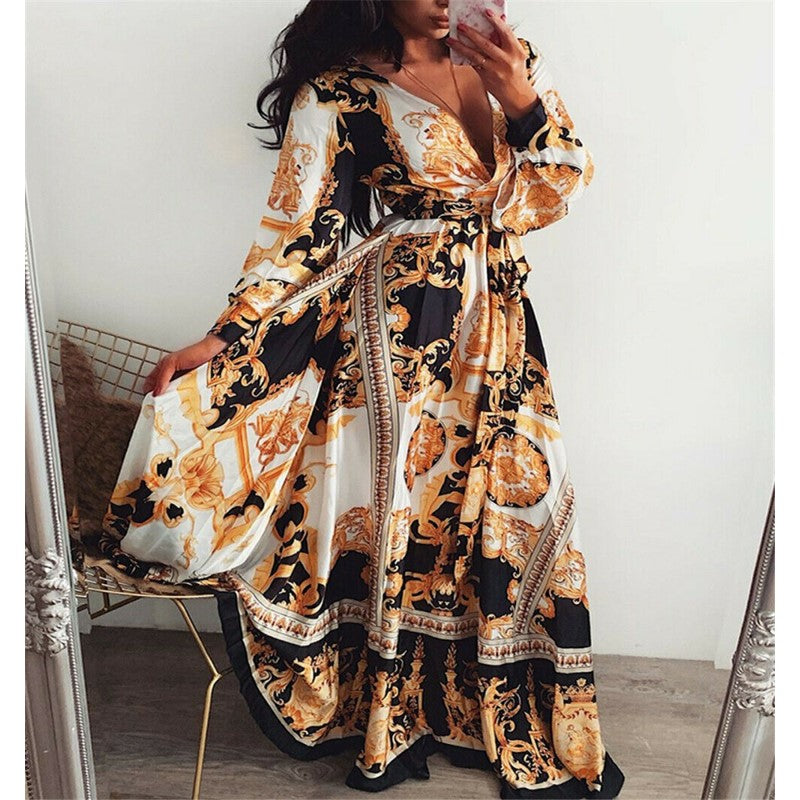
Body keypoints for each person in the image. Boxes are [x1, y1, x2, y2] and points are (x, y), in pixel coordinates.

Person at [97, 1, 624, 796]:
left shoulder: (513, 61)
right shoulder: (339, 91)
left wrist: (520, 99)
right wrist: (226, 337)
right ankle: (393, 710)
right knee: (405, 515)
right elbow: (297, 234)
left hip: (500, 327)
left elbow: (552, 196)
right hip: (396, 336)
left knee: (515, 506)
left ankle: (477, 702)